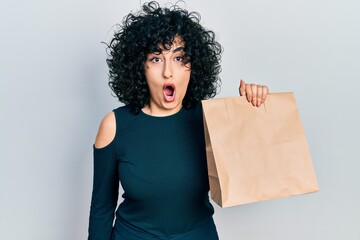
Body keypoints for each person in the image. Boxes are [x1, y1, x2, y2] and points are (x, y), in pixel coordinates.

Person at [88, 1, 269, 239]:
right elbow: (102, 208)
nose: (167, 72)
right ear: (139, 67)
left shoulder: (210, 119)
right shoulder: (114, 126)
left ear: (193, 66)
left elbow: (251, 171)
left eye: (179, 58)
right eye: (155, 58)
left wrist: (253, 107)